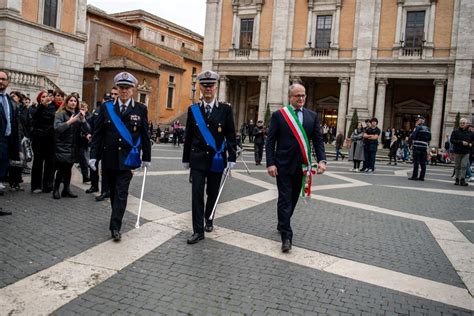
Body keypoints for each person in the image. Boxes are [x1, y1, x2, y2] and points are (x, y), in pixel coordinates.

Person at [89, 72, 151, 241]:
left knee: (122, 192)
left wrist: (147, 157)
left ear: (133, 90)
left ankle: (115, 227)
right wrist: (93, 155)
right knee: (113, 193)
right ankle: (115, 218)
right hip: (109, 158)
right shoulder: (106, 107)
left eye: (127, 88)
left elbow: (145, 134)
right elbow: (98, 133)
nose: (124, 91)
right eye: (121, 88)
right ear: (117, 88)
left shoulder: (140, 109)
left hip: (127, 159)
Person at [266, 83, 327, 253]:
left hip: (302, 165)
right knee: (285, 199)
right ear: (290, 97)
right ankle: (287, 236)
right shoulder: (280, 115)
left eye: (303, 95)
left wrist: (322, 160)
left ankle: (282, 222)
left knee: (292, 199)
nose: (301, 99)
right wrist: (270, 163)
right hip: (283, 165)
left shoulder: (312, 116)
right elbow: (271, 141)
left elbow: (318, 140)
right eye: (297, 96)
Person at [182, 70, 237, 244]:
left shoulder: (225, 109)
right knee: (196, 194)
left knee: (212, 193)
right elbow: (189, 136)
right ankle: (198, 230)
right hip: (197, 158)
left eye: (211, 86)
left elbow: (231, 135)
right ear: (200, 87)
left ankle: (209, 217)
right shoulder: (193, 110)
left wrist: (232, 158)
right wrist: (186, 159)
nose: (208, 89)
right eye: (204, 86)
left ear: (216, 87)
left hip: (217, 159)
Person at [52, 94, 90, 199]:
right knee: (62, 168)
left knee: (68, 168)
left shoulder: (78, 114)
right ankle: (56, 189)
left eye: (75, 101)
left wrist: (83, 120)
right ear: (67, 102)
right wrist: (70, 122)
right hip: (63, 145)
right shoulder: (60, 114)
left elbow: (87, 130)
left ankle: (66, 189)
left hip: (74, 146)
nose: (73, 102)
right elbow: (57, 128)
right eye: (71, 100)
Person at [31, 90, 60, 193]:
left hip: (50, 138)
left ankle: (48, 185)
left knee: (50, 162)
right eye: (42, 97)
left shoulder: (53, 107)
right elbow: (35, 117)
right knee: (38, 162)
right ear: (39, 99)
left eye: (46, 96)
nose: (45, 98)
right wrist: (42, 105)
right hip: (38, 137)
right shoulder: (37, 108)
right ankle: (36, 186)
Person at [0, 71, 20, 215]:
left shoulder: (9, 100)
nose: (1, 81)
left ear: (8, 81)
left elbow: (13, 124)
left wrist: (15, 147)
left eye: (3, 79)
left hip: (5, 143)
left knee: (1, 173)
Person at [450, 118, 473, 186]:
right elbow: (452, 140)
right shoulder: (455, 131)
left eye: (464, 123)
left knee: (464, 166)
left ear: (466, 124)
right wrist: (461, 142)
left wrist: (471, 143)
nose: (462, 124)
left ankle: (462, 180)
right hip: (457, 151)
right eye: (461, 123)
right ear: (459, 124)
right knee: (457, 166)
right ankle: (457, 179)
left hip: (466, 151)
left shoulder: (470, 132)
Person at [409, 115, 431, 181]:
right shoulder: (428, 128)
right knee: (423, 163)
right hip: (424, 147)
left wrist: (412, 134)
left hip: (417, 146)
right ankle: (422, 177)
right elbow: (430, 138)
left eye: (417, 120)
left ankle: (414, 176)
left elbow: (413, 136)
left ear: (420, 121)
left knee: (416, 162)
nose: (416, 121)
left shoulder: (418, 127)